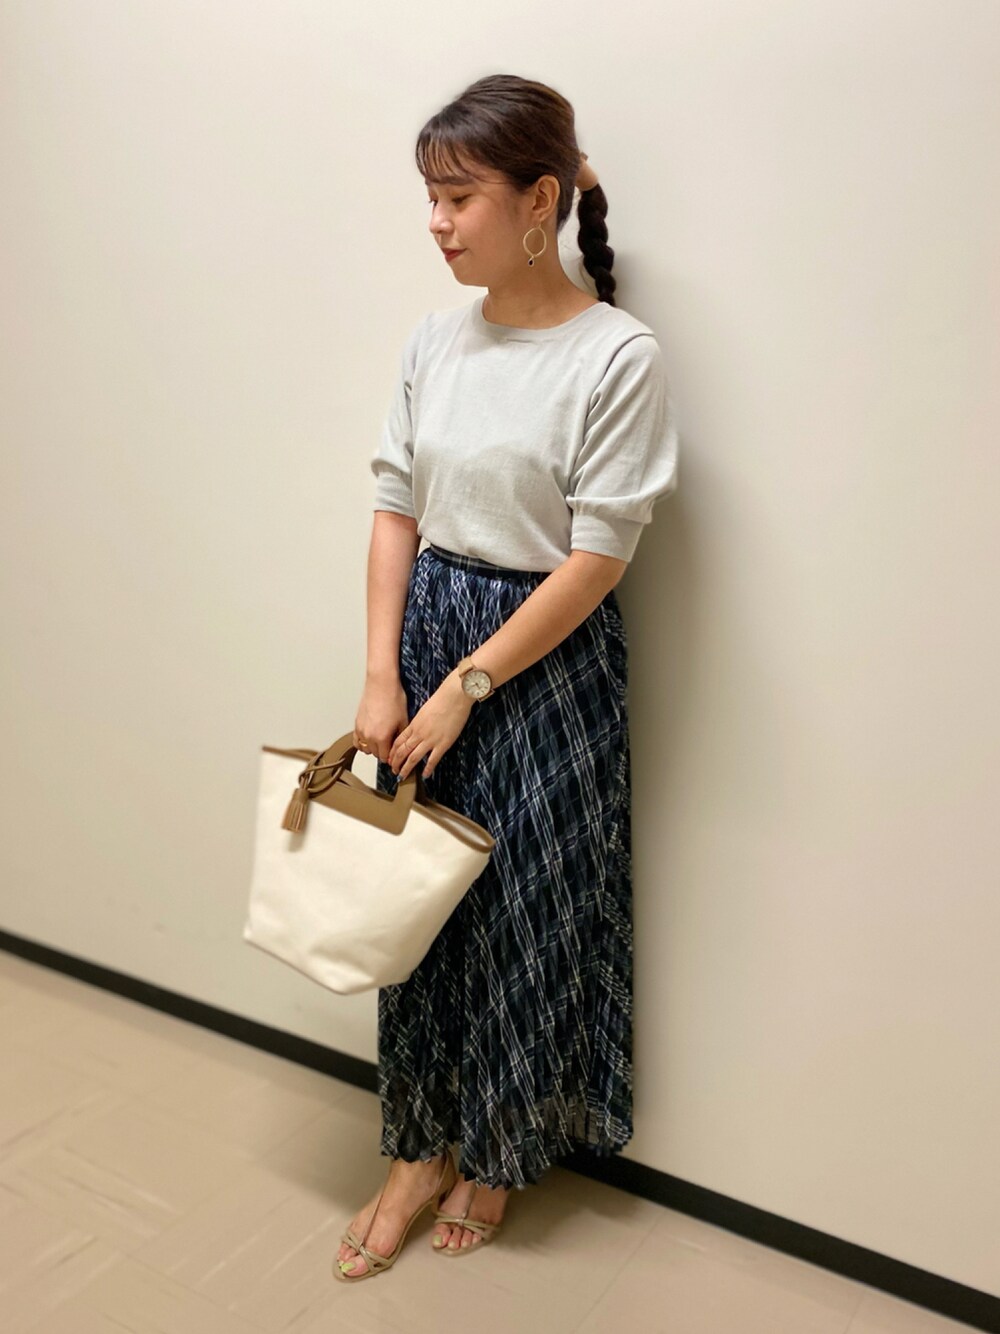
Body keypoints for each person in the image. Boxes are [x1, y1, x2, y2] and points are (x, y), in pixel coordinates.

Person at [335, 73, 678, 1282]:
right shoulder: (434, 339)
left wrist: (463, 687)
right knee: (417, 907)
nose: (436, 222)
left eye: (458, 197)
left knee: (529, 909)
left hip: (544, 661)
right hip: (430, 629)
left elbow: (596, 559)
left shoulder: (616, 353)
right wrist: (381, 678)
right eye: (429, 196)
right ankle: (418, 1149)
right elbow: (394, 506)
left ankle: (498, 1147)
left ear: (540, 200)